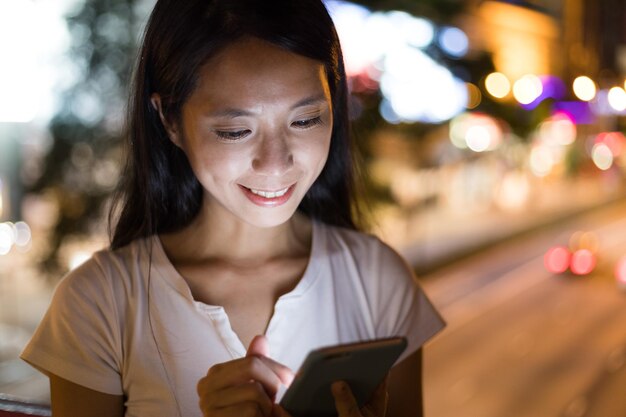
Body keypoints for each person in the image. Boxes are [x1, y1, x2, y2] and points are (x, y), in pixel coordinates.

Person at [21, 0, 445, 416]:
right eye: (236, 130)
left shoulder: (378, 282)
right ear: (169, 120)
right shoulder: (101, 304)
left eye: (305, 120)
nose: (276, 162)